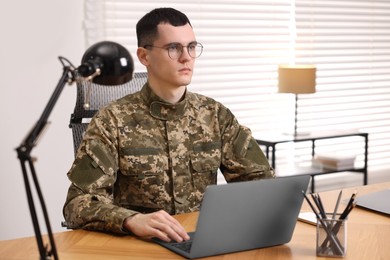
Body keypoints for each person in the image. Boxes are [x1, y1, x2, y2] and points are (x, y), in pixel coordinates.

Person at [63, 7, 274, 244]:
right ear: (144, 57)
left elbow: (261, 184)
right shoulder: (112, 120)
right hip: (141, 247)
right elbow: (77, 204)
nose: (186, 57)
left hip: (202, 243)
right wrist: (130, 219)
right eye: (173, 48)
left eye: (191, 47)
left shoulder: (215, 115)